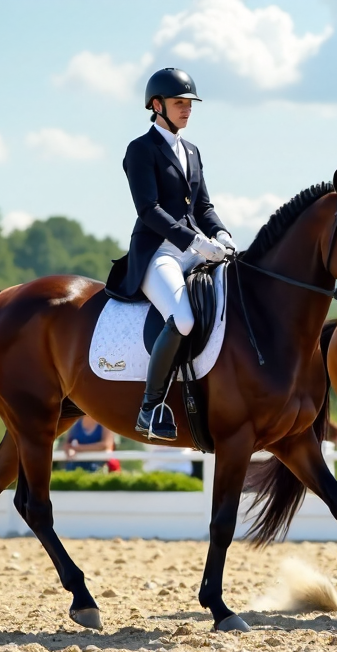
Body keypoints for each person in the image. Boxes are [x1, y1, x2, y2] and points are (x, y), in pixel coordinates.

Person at [104, 67, 233, 443]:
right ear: (157, 105)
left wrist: (221, 233)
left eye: (189, 104)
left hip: (196, 250)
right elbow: (149, 209)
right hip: (159, 253)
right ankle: (150, 407)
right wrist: (194, 241)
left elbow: (204, 205)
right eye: (179, 103)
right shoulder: (140, 150)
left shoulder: (191, 151)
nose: (187, 110)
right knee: (184, 318)